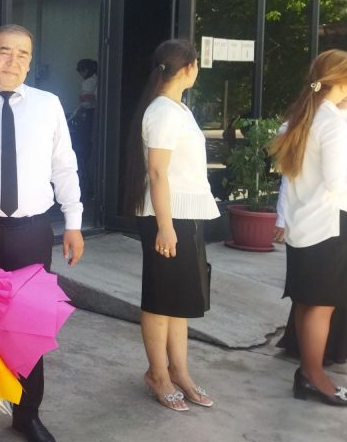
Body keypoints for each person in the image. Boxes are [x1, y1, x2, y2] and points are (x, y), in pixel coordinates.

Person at [0, 24, 84, 442]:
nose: (13, 61)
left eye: (23, 54)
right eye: (5, 51)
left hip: (31, 232)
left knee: (29, 328)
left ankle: (27, 413)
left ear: (30, 61)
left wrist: (74, 222)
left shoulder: (48, 105)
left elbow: (64, 166)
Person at [121, 39, 219, 413]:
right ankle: (157, 374)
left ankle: (180, 371)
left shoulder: (178, 109)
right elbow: (158, 172)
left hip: (185, 216)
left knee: (179, 301)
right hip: (167, 217)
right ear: (190, 68)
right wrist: (165, 227)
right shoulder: (162, 111)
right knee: (161, 299)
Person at [268, 49, 347, 407]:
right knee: (322, 305)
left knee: (308, 302)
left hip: (305, 224)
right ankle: (315, 376)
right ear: (343, 80)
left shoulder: (306, 115)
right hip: (328, 224)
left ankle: (308, 372)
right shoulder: (331, 122)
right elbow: (336, 182)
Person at [68, 59, 98, 196]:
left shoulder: (87, 82)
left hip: (87, 117)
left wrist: (84, 99)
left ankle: (84, 183)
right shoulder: (98, 80)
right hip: (94, 116)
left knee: (83, 151)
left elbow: (86, 101)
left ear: (85, 70)